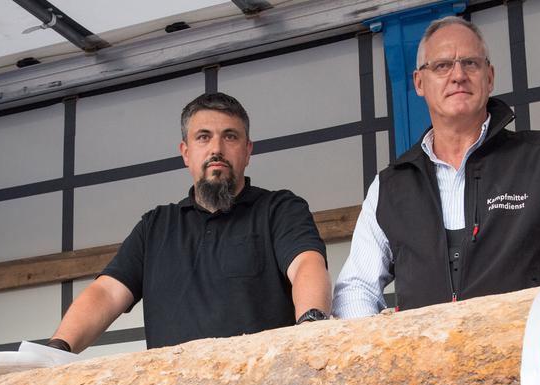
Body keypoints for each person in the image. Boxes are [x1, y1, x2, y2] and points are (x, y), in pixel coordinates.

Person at [332, 16, 540, 318]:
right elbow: (356, 288)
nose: (458, 75)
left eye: (470, 63)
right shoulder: (389, 188)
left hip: (530, 354)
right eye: (442, 65)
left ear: (489, 77)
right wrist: (371, 346)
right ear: (419, 82)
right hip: (427, 359)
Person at [48, 92, 331, 352]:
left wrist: (311, 326)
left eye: (230, 137)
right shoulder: (154, 227)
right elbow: (107, 292)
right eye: (203, 137)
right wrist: (56, 350)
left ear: (247, 151)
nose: (216, 149)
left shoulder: (280, 209)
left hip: (262, 384)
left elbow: (306, 264)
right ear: (186, 152)